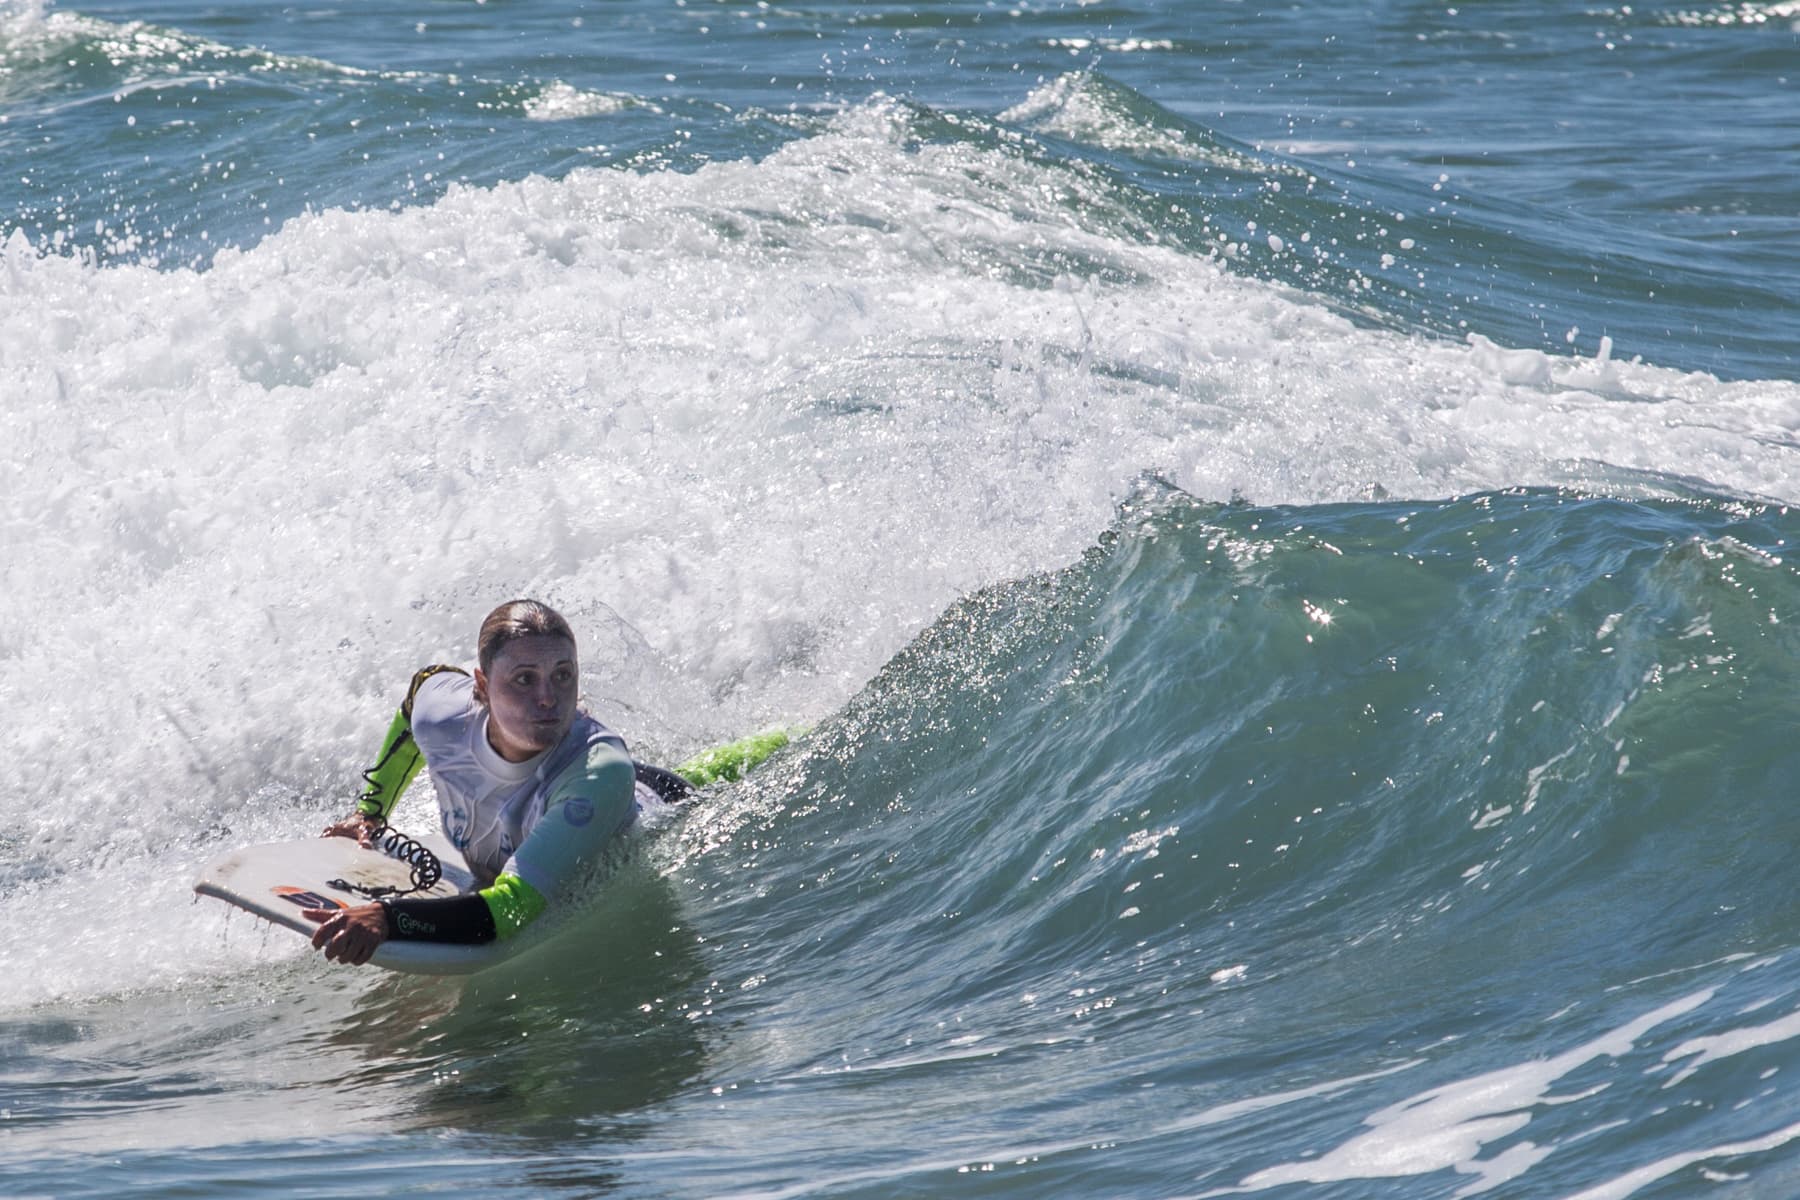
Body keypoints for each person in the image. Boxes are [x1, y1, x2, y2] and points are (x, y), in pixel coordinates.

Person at [305, 599, 689, 966]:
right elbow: (420, 691)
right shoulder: (447, 719)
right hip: (582, 782)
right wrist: (370, 813)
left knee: (703, 778)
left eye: (562, 675)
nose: (548, 698)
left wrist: (390, 918)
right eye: (524, 679)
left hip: (646, 800)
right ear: (482, 685)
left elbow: (513, 908)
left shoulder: (601, 774)